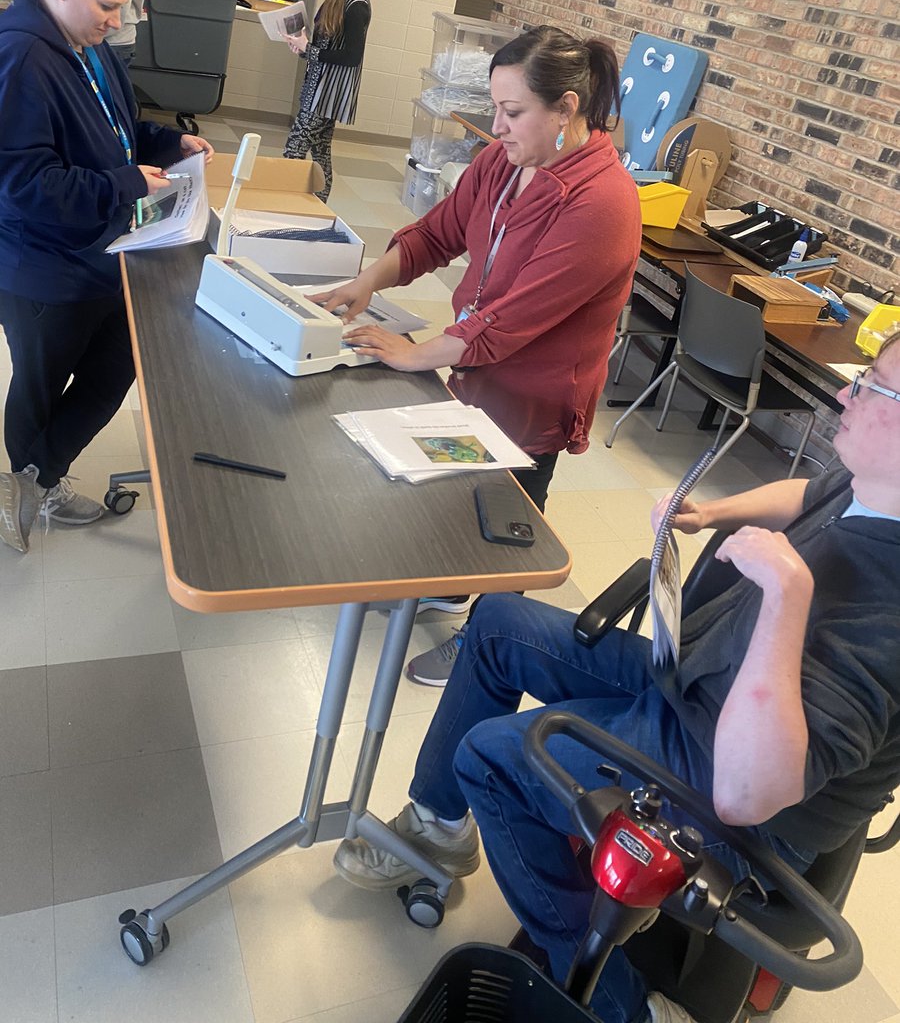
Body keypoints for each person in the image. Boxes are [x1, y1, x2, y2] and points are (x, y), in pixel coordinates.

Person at [332, 332, 900, 1023]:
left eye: (870, 386)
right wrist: (715, 513)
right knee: (499, 624)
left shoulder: (887, 612)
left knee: (490, 756)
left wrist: (786, 597)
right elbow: (810, 491)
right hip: (701, 684)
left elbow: (749, 792)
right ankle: (436, 829)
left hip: (732, 773)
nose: (845, 392)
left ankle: (626, 1010)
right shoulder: (874, 479)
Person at [318, 25, 641, 684]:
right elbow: (436, 234)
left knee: (508, 523)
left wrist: (415, 356)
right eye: (494, 107)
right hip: (474, 373)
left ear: (567, 108)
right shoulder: (505, 161)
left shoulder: (602, 202)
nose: (497, 125)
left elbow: (511, 317)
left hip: (534, 396)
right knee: (457, 493)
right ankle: (447, 585)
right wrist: (365, 283)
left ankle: (488, 641)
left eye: (513, 112)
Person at [0, 0, 214, 554]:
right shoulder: (20, 55)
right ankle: (27, 483)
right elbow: (24, 185)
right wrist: (124, 185)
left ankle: (39, 474)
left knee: (119, 360)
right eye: (109, 5)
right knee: (40, 382)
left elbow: (118, 130)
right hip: (44, 265)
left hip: (100, 249)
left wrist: (169, 142)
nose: (116, 21)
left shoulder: (84, 46)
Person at [283, 0, 370, 202]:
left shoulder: (356, 1)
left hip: (326, 94)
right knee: (320, 152)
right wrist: (304, 47)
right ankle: (319, 206)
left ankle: (285, 203)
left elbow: (352, 56)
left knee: (294, 150)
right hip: (319, 89)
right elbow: (330, 43)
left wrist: (310, 49)